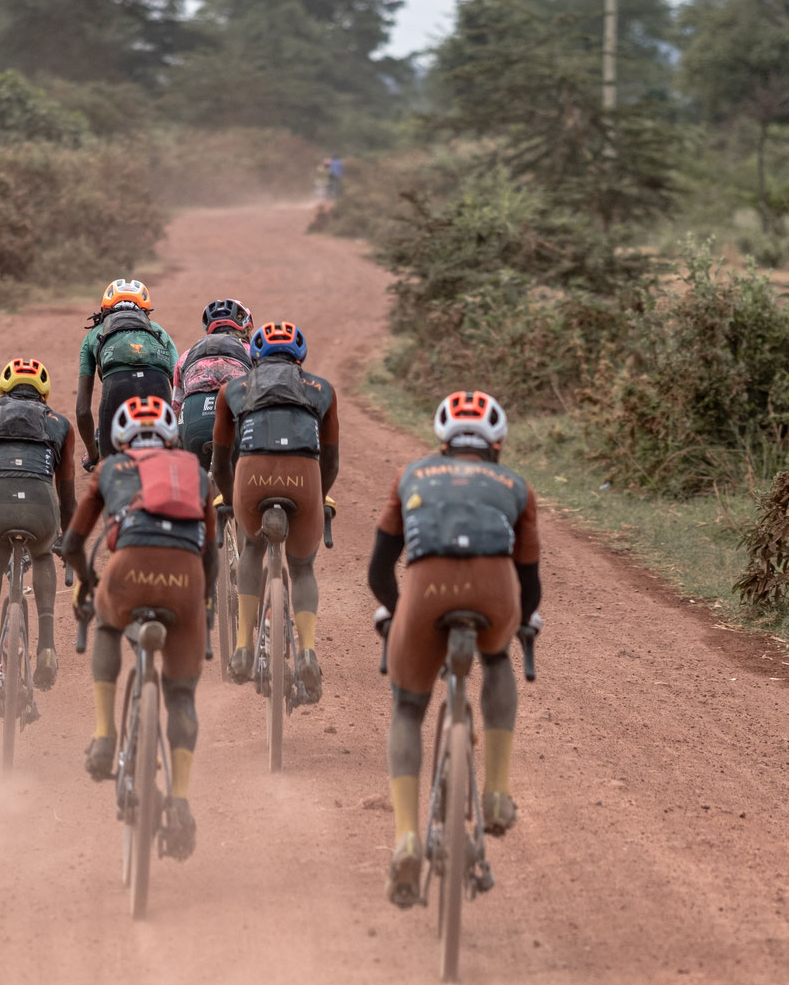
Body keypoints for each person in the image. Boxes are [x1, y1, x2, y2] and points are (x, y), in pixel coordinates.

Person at [368, 390, 541, 908]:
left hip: (426, 591)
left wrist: (398, 612)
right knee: (496, 659)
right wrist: (522, 621)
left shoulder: (411, 475)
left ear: (442, 441)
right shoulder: (517, 486)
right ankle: (495, 792)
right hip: (494, 592)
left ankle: (405, 837)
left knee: (407, 706)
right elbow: (530, 586)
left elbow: (379, 569)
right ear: (498, 443)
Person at [59, 396, 218, 860]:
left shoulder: (109, 468)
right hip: (185, 577)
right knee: (182, 696)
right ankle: (182, 800)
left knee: (108, 628)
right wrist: (202, 605)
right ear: (171, 436)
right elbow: (209, 551)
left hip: (127, 571)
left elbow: (73, 542)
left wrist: (88, 585)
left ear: (123, 437)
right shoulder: (196, 472)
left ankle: (106, 737)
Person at [209, 321, 338, 699]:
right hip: (305, 477)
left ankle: (244, 647)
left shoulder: (232, 389)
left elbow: (219, 464)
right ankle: (309, 651)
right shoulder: (322, 390)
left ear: (255, 356)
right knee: (302, 567)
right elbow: (330, 462)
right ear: (300, 356)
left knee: (251, 548)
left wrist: (233, 500)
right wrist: (321, 497)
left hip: (252, 476)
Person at [0, 357, 79, 739]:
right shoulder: (60, 425)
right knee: (43, 553)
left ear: (3, 390)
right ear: (44, 393)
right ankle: (46, 647)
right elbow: (69, 498)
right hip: (41, 510)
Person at [76, 279, 177, 468]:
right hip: (158, 387)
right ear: (145, 310)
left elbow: (82, 410)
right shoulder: (159, 332)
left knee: (109, 470)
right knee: (164, 463)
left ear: (106, 308)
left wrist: (93, 454)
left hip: (117, 387)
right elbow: (180, 389)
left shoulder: (93, 335)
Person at [173, 298, 253, 470]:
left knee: (194, 482)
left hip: (193, 417)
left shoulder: (187, 355)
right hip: (234, 416)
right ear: (245, 327)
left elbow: (176, 406)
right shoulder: (252, 351)